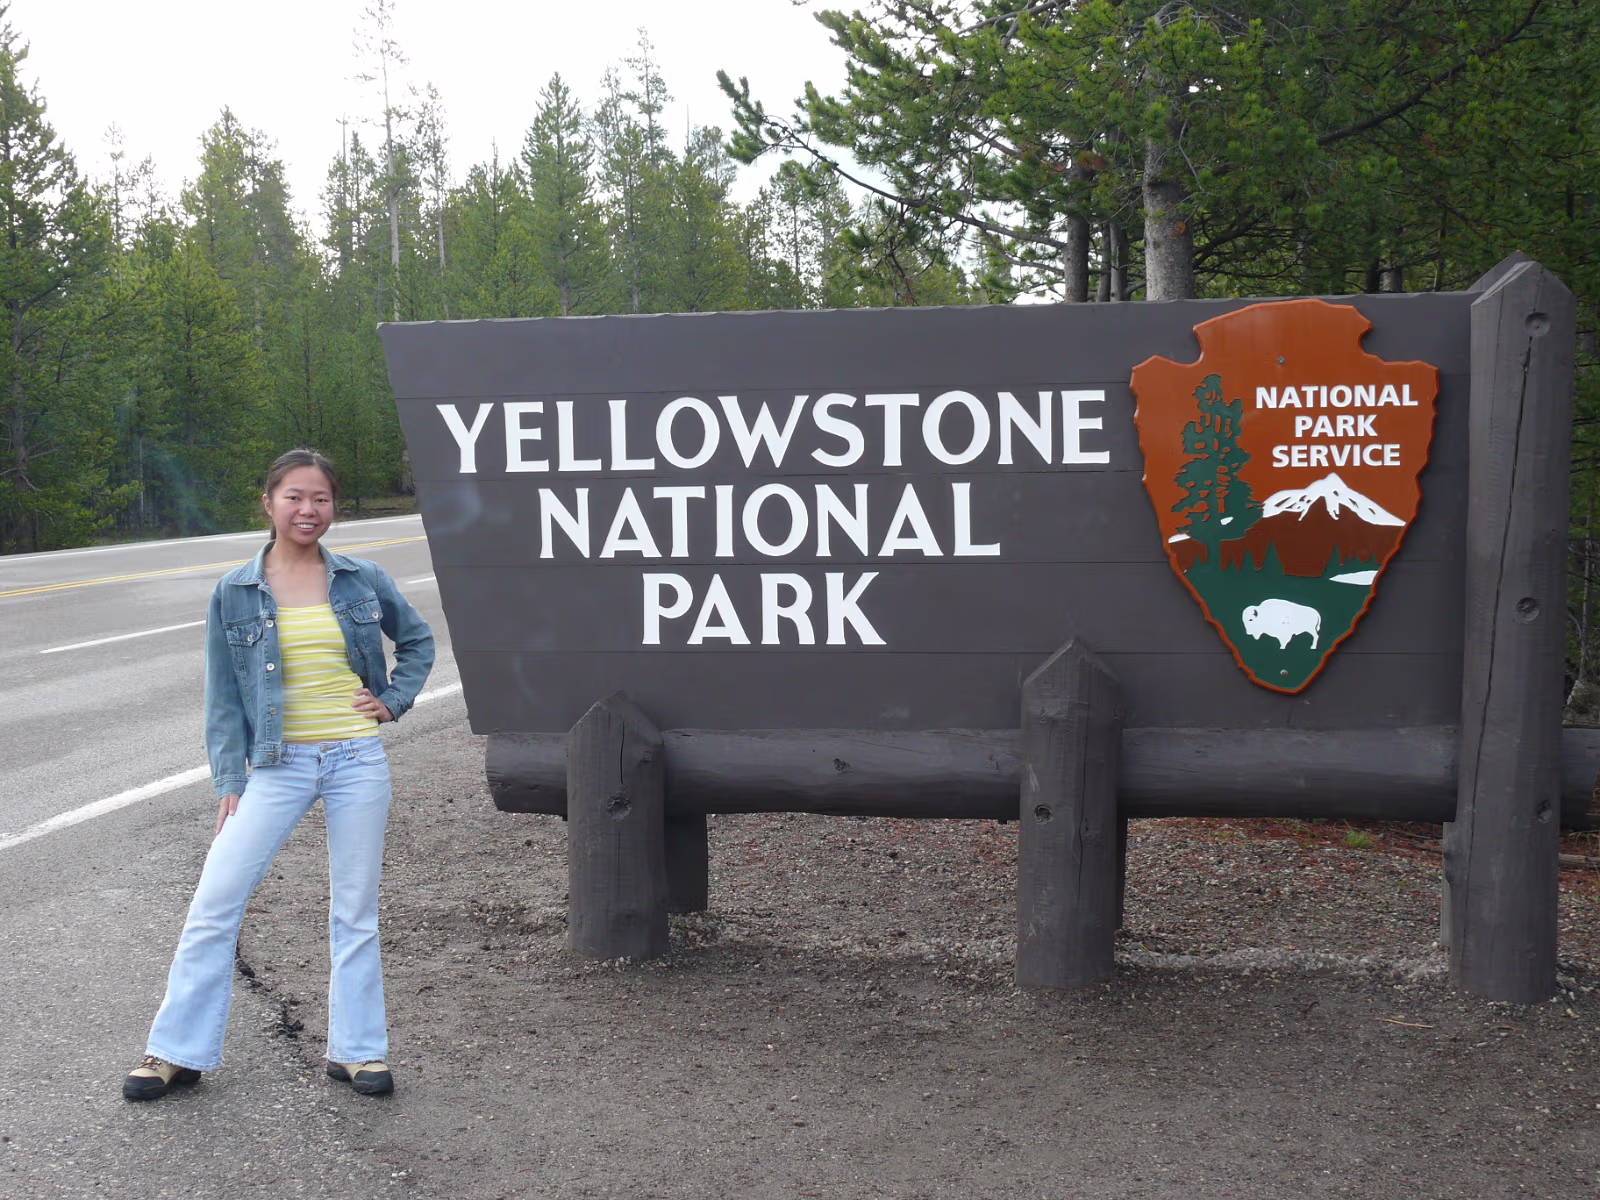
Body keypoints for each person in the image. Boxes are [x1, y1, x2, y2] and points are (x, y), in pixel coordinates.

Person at [123, 447, 434, 1101]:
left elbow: (417, 641)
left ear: (333, 507)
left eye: (320, 498)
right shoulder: (235, 590)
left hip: (355, 759)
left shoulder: (362, 578)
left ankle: (358, 1051)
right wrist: (229, 781)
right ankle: (176, 1051)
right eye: (294, 496)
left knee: (354, 910)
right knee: (215, 900)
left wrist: (392, 700)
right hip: (277, 764)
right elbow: (222, 698)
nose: (307, 509)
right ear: (269, 504)